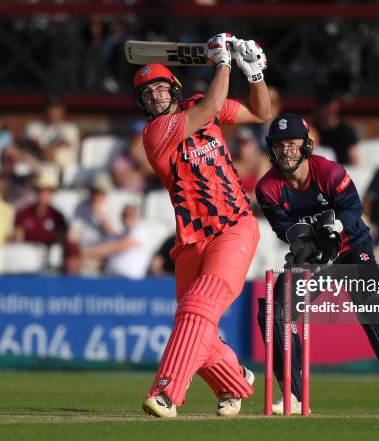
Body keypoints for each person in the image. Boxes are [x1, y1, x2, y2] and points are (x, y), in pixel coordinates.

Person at [255, 113, 379, 416]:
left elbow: (354, 208)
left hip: (351, 247)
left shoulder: (330, 172)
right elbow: (285, 229)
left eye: (293, 144)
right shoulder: (268, 188)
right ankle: (295, 396)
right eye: (280, 144)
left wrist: (333, 230)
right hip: (313, 258)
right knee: (275, 311)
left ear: (306, 145)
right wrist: (306, 245)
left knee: (371, 305)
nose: (286, 151)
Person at [135, 33, 271, 418]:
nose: (156, 98)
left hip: (233, 227)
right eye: (148, 95)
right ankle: (235, 383)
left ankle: (166, 394)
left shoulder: (200, 106)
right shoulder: (156, 134)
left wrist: (254, 72)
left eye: (161, 89)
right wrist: (223, 61)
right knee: (198, 325)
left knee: (197, 307)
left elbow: (261, 113)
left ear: (175, 90)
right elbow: (214, 101)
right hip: (192, 240)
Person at [82, 204, 153, 279]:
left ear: (137, 216)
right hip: (110, 277)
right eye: (124, 215)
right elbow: (103, 260)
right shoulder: (120, 235)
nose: (127, 218)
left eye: (130, 215)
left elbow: (115, 247)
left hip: (129, 280)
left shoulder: (140, 231)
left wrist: (85, 251)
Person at [14, 171, 67, 247]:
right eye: (40, 191)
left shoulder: (57, 217)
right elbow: (18, 240)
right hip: (27, 254)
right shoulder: (23, 214)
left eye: (47, 191)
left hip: (48, 255)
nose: (43, 195)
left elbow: (59, 242)